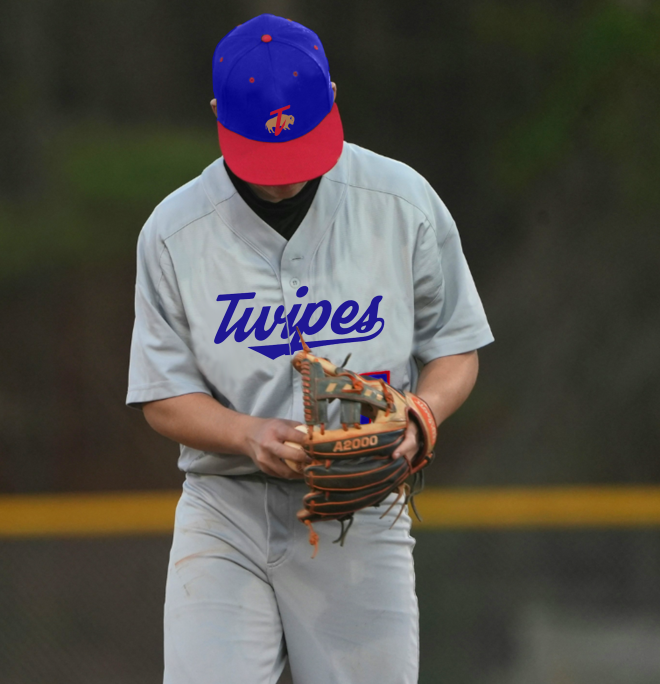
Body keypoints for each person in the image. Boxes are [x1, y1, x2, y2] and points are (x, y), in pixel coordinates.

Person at [126, 14, 492, 684]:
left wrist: (422, 412)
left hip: (360, 512)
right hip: (224, 510)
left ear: (332, 98)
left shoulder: (401, 202)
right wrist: (247, 432)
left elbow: (457, 349)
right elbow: (161, 394)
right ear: (215, 113)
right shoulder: (175, 231)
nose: (281, 179)